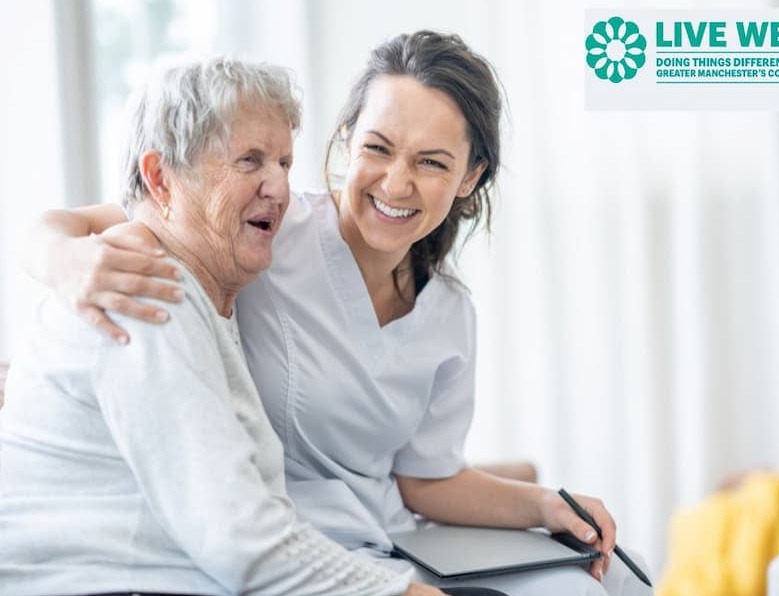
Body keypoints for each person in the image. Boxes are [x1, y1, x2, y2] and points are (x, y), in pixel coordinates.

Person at [23, 32, 652, 596]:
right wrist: (64, 260)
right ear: (347, 139)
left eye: (432, 162)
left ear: (470, 175)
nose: (397, 183)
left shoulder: (448, 311)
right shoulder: (263, 227)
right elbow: (137, 210)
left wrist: (546, 505)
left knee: (617, 575)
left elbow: (424, 480)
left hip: (391, 536)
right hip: (297, 546)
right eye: (379, 147)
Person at [0, 56, 477, 596]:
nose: (278, 187)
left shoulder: (210, 291)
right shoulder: (144, 283)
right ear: (162, 179)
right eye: (250, 160)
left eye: (283, 162)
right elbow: (242, 541)